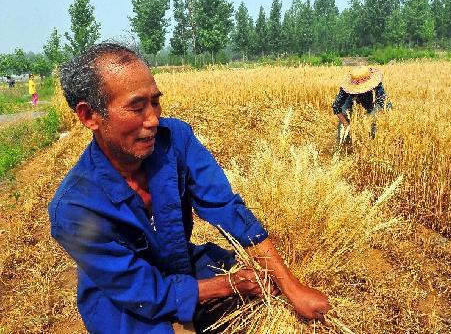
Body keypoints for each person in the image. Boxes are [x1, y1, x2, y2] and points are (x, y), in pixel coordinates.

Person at [48, 43, 330, 333]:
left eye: (155, 102)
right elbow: (142, 290)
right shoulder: (74, 209)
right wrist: (228, 284)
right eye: (136, 107)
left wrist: (291, 287)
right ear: (89, 116)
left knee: (253, 294)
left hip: (179, 263)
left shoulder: (176, 139)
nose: (153, 120)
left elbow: (225, 206)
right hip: (125, 298)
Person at [332, 66, 389, 143]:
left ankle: (372, 141)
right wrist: (345, 124)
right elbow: (336, 106)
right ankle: (342, 142)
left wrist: (368, 121)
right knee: (344, 111)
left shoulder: (377, 86)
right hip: (353, 99)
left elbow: (383, 104)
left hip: (374, 102)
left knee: (373, 120)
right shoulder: (346, 89)